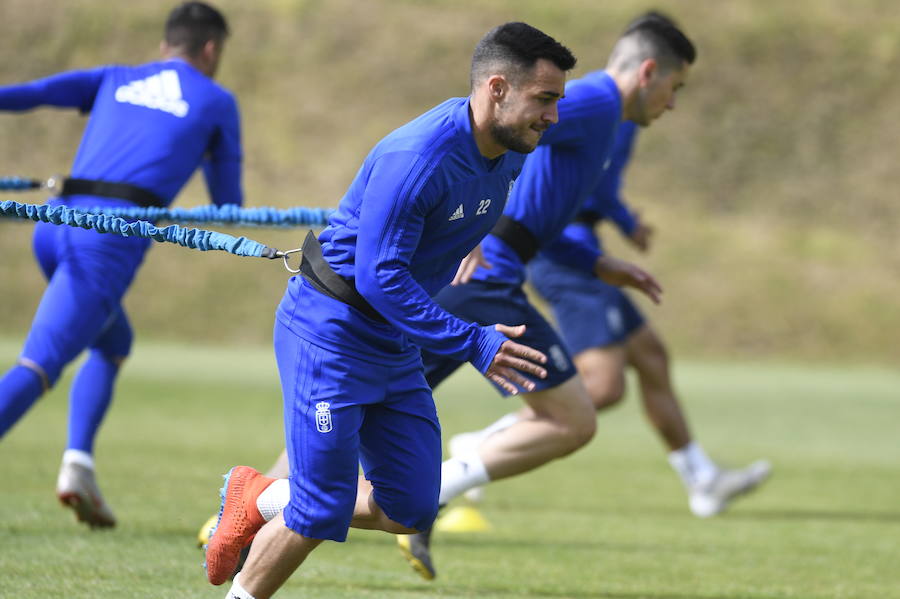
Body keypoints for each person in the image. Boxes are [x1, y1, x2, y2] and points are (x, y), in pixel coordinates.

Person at [203, 22, 576, 599]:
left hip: (394, 344)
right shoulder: (419, 156)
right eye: (544, 99)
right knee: (320, 507)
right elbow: (380, 279)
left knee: (411, 506)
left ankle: (258, 494)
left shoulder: (509, 150)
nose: (552, 115)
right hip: (331, 333)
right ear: (498, 88)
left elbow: (466, 209)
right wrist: (473, 340)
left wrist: (463, 238)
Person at [0, 2, 242, 528]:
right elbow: (229, 205)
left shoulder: (117, 76)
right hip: (105, 242)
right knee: (38, 366)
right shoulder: (217, 102)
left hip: (53, 223)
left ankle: (78, 465)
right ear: (211, 50)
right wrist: (203, 150)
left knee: (114, 342)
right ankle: (75, 464)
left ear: (164, 47)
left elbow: (35, 94)